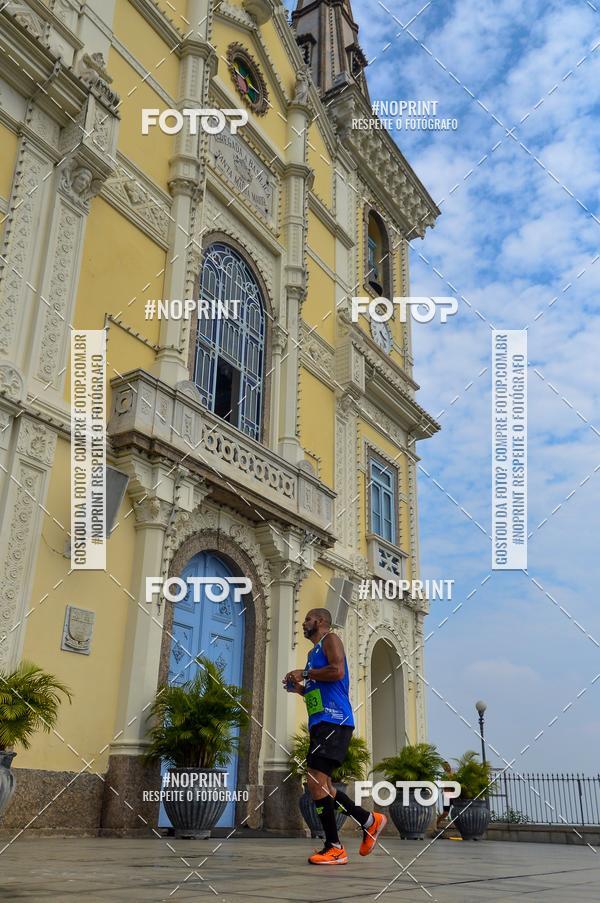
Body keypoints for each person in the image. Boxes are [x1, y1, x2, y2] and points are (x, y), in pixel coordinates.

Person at [283, 608, 387, 865]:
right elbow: (319, 690)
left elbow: (337, 672)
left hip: (335, 720)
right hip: (321, 722)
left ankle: (335, 846)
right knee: (322, 785)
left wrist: (304, 674)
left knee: (316, 781)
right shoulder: (311, 654)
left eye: (308, 618)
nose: (304, 622)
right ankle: (368, 820)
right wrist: (300, 689)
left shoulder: (331, 639)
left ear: (319, 621)